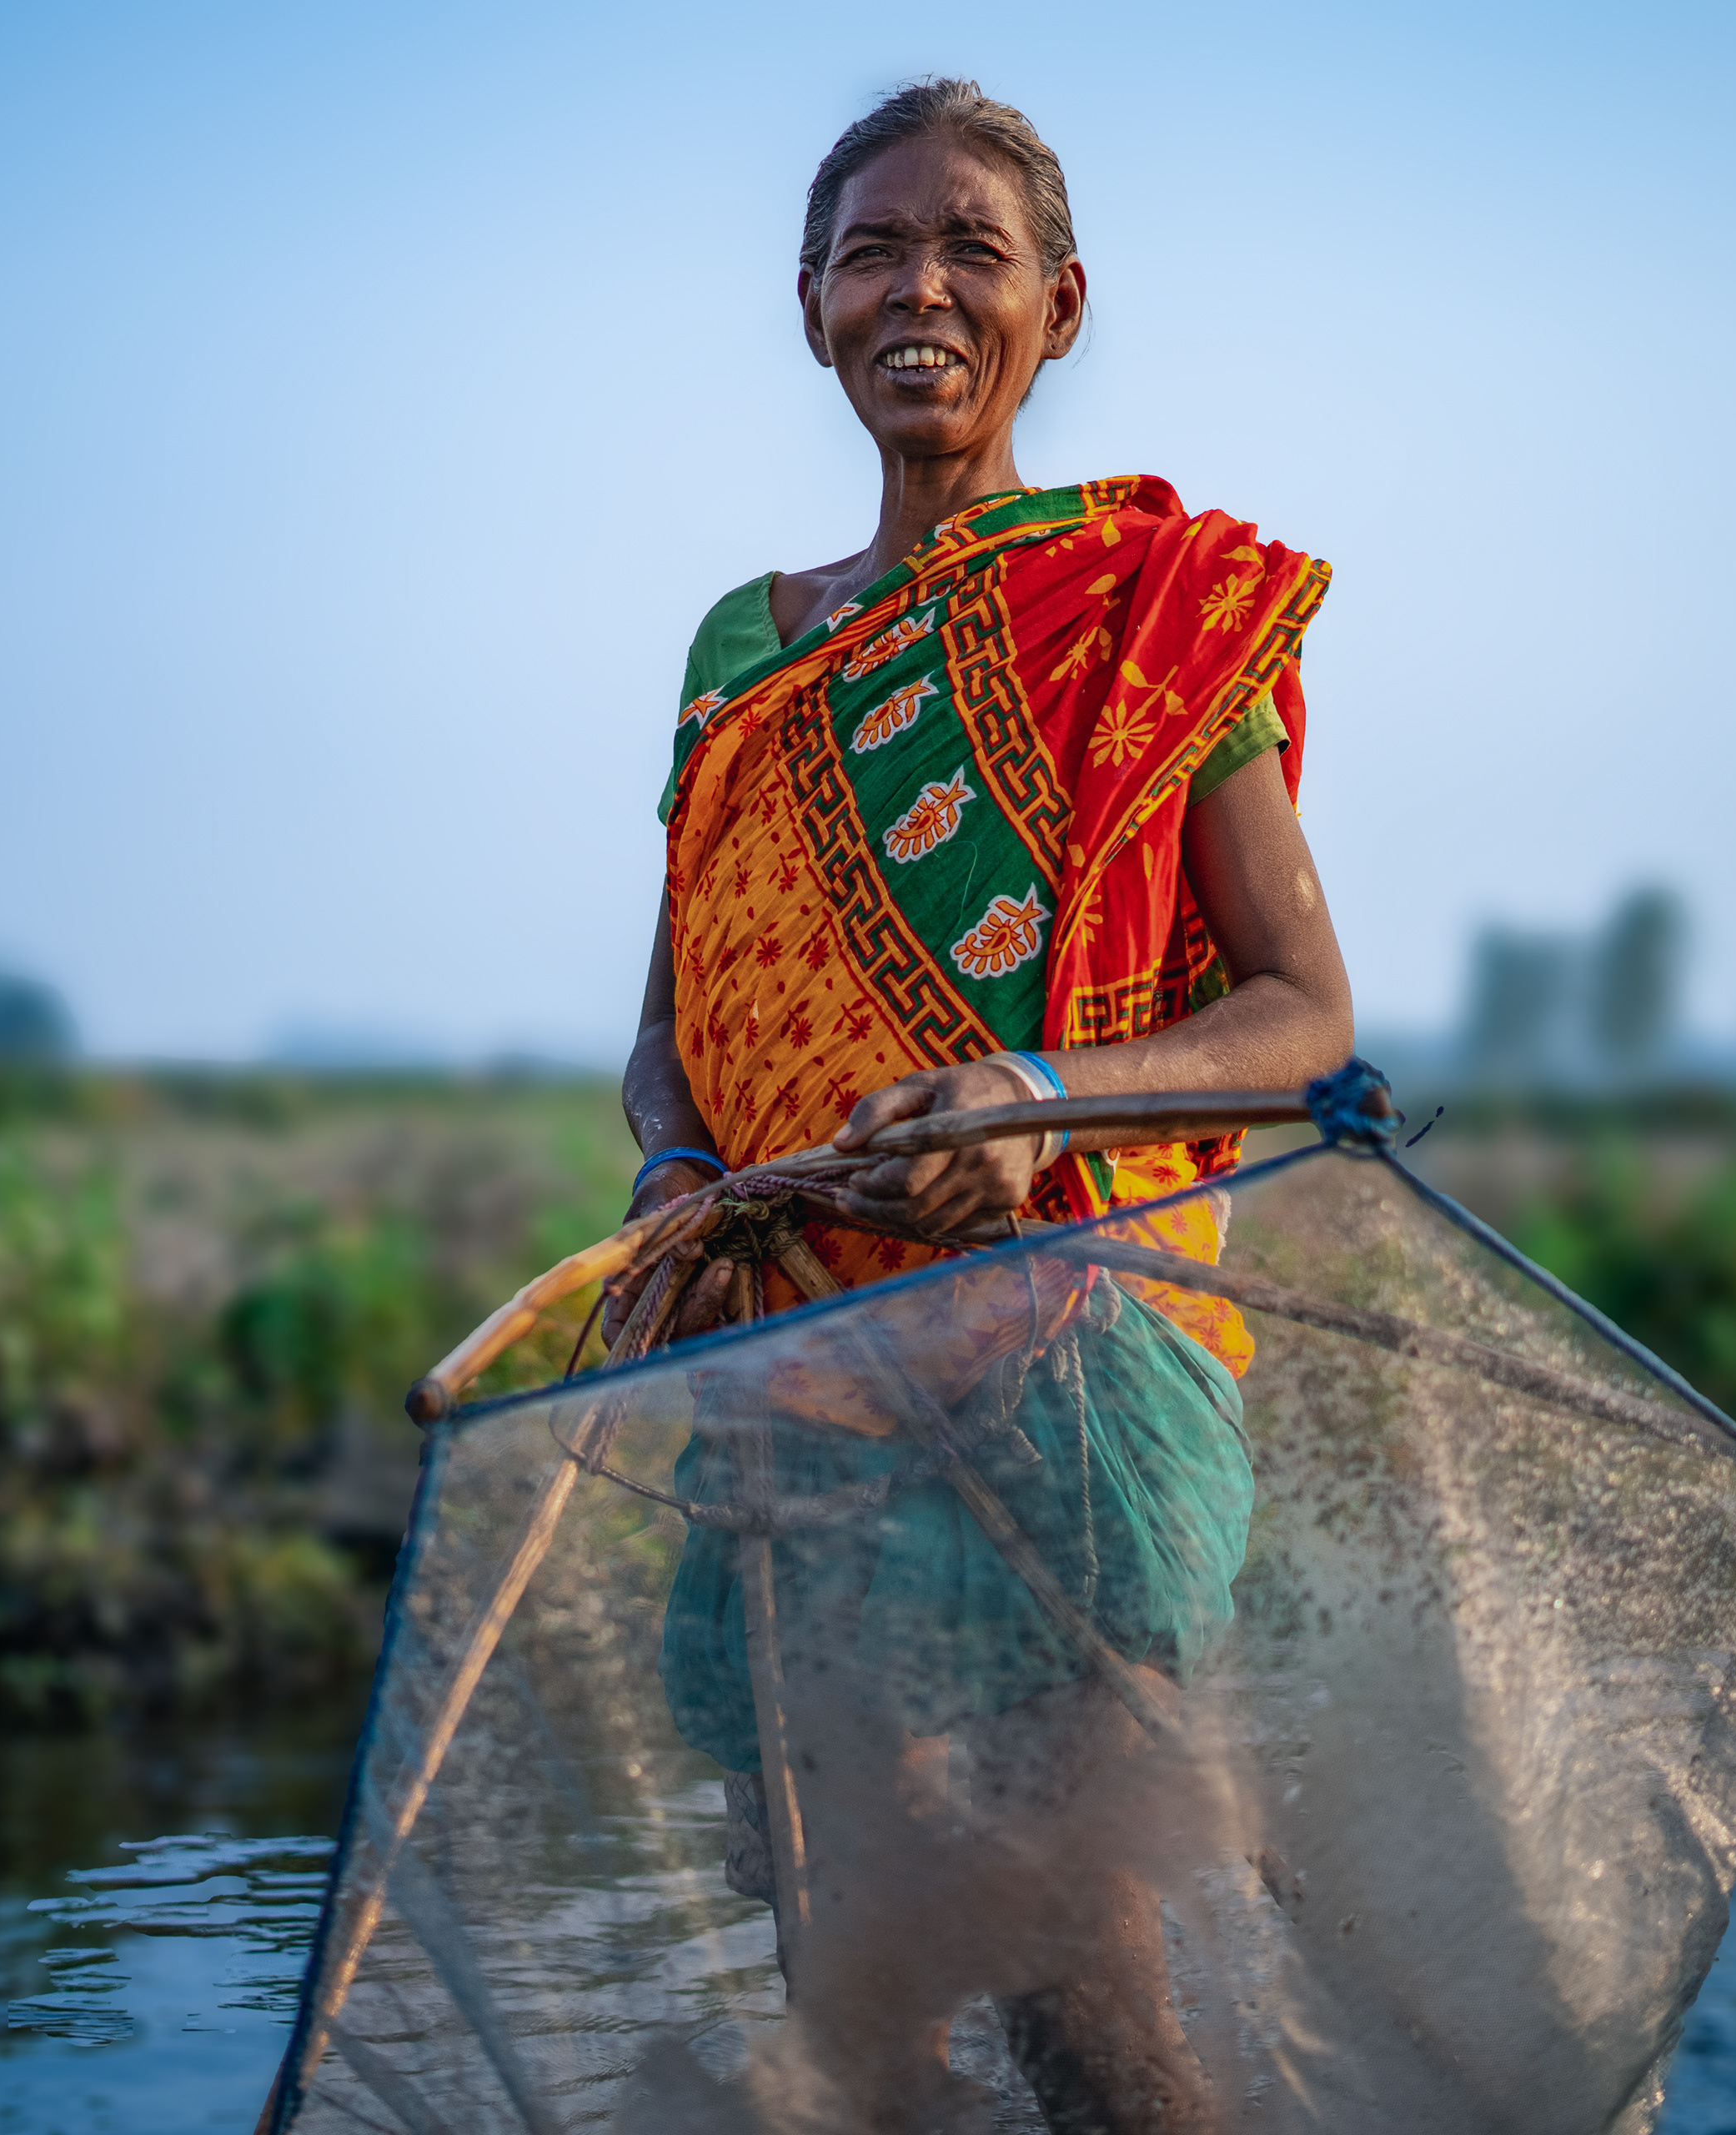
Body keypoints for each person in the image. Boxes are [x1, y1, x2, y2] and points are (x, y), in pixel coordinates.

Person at [613, 78, 1354, 2135]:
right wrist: (677, 1173)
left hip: (1067, 1369)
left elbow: (1302, 1012)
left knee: (1077, 1987)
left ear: (1063, 301)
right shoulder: (735, 653)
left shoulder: (1145, 602)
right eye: (871, 250)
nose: (915, 288)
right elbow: (667, 1027)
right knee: (833, 1928)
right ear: (809, 306)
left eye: (970, 248)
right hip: (786, 1377)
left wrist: (1042, 1093)